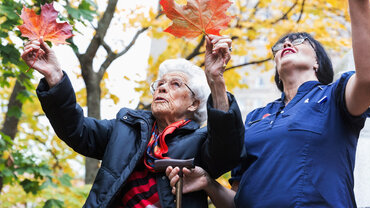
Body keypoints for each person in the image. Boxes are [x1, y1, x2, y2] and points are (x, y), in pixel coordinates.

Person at [166, 0, 370, 207]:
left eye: (299, 40)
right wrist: (209, 183)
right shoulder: (255, 117)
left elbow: (368, 78)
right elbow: (238, 201)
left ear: (318, 61)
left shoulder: (334, 98)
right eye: (280, 45)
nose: (287, 44)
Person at [21, 34, 245, 208]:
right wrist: (54, 76)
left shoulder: (202, 141)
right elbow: (76, 129)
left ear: (194, 103)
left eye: (175, 84)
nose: (163, 87)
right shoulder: (126, 128)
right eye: (159, 84)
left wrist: (216, 80)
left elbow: (227, 149)